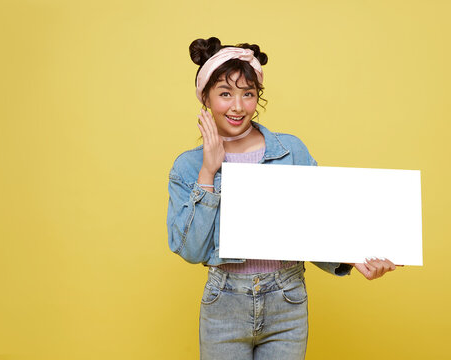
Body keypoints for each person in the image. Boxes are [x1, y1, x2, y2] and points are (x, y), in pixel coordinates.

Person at [166, 37, 399, 360]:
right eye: (225, 94)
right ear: (205, 98)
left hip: (287, 301)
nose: (237, 106)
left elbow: (316, 223)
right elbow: (191, 250)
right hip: (224, 303)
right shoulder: (187, 167)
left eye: (248, 94)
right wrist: (208, 172)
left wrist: (354, 258)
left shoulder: (291, 152)